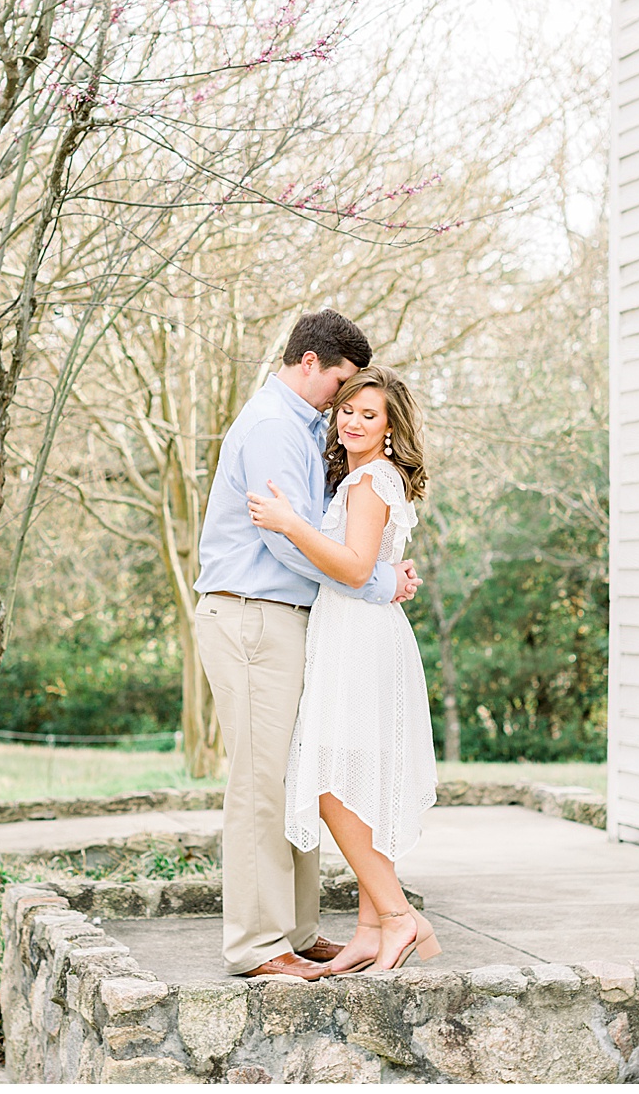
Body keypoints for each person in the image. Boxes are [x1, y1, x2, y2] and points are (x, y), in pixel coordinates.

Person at [193, 310, 420, 981]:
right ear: (312, 363)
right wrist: (375, 579)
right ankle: (258, 944)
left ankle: (295, 929)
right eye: (342, 385)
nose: (343, 403)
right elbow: (282, 538)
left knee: (295, 776)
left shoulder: (302, 428)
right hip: (252, 614)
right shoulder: (270, 427)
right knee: (261, 781)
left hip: (290, 620)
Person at [246, 364, 440, 973]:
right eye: (348, 410)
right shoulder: (364, 478)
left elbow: (356, 569)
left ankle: (399, 915)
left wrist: (290, 525)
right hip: (356, 631)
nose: (353, 421)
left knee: (329, 784)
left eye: (369, 415)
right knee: (362, 782)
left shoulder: (367, 482)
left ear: (389, 429)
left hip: (358, 637)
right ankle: (367, 931)